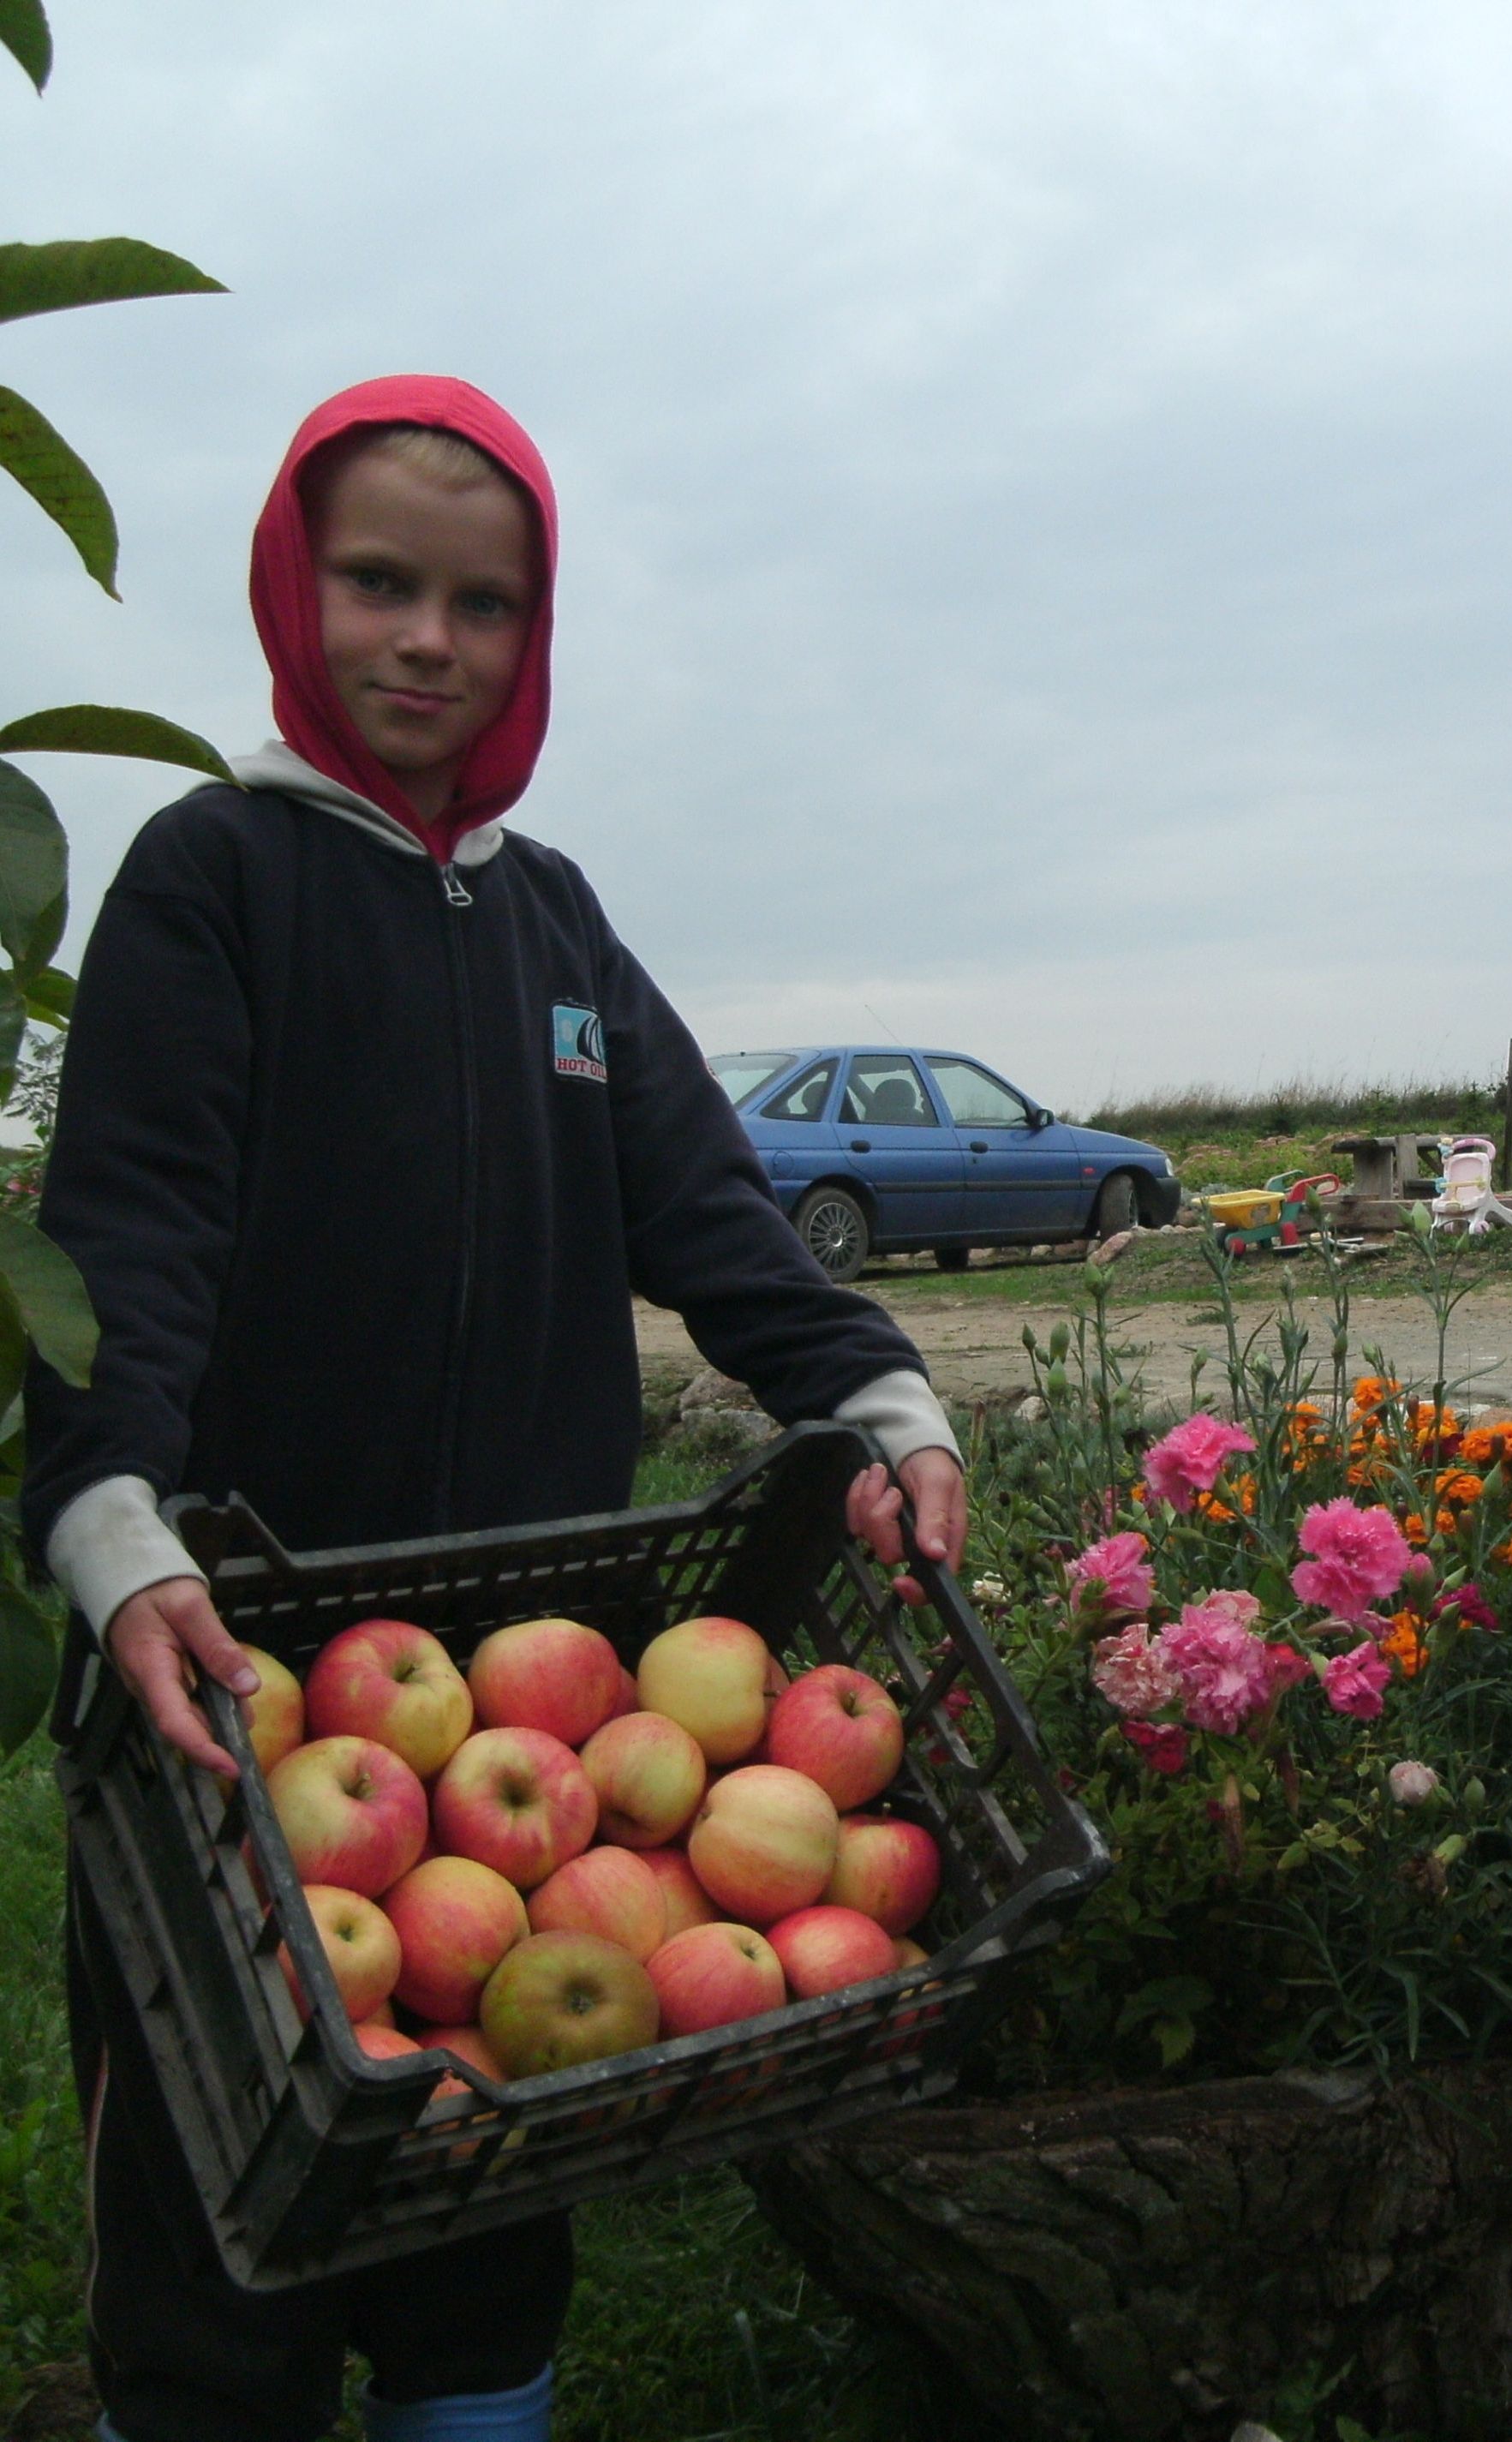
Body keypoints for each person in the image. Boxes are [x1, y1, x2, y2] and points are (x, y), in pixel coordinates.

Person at [26, 376, 967, 2442]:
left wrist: (881, 1398)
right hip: (236, 1684)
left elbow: (716, 1218)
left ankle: (474, 2396)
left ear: (539, 635)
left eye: (486, 604)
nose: (428, 642)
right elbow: (131, 1247)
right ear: (295, 582)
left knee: (502, 2150)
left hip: (526, 1696)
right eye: (378, 583)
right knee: (216, 2200)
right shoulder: (213, 879)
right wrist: (114, 1525)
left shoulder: (557, 924)